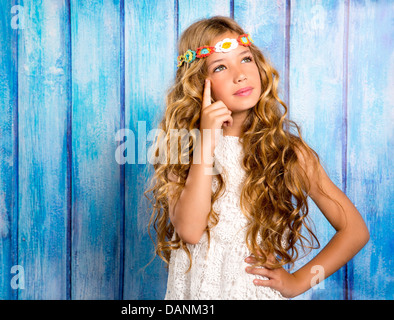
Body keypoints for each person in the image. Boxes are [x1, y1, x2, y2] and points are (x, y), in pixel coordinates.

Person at [145, 16, 369, 300]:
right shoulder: (181, 147)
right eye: (221, 66)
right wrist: (206, 142)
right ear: (198, 83)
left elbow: (355, 231)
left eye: (246, 59)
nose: (240, 74)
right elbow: (190, 230)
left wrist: (299, 282)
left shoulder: (288, 153)